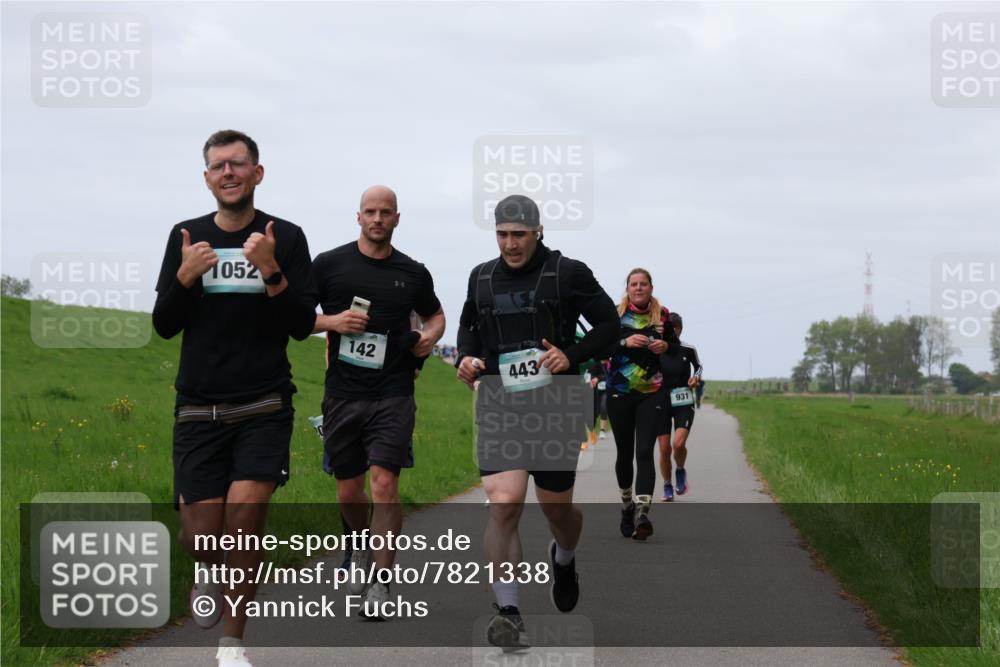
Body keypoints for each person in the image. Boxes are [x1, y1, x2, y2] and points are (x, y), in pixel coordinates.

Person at [152, 130, 316, 667]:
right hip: (199, 407)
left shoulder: (285, 237)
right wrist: (183, 277)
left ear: (257, 173)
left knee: (245, 519)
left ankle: (231, 644)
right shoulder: (185, 235)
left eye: (238, 164)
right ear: (207, 178)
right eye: (218, 165)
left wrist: (270, 267)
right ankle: (206, 565)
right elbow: (164, 325)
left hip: (264, 405)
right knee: (201, 537)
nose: (228, 172)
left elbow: (298, 326)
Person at [455, 194, 617, 651]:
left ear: (539, 230)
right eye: (503, 235)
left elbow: (609, 326)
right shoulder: (481, 276)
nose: (510, 245)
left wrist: (572, 355)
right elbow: (468, 327)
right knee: (504, 503)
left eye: (519, 235)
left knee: (556, 512)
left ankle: (563, 557)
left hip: (556, 403)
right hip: (499, 401)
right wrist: (465, 358)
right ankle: (508, 612)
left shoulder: (569, 273)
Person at [312, 185, 445, 619]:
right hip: (343, 395)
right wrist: (332, 321)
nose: (378, 219)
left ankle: (381, 582)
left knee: (384, 484)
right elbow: (294, 315)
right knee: (349, 490)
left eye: (385, 212)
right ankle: (356, 540)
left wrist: (428, 338)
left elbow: (437, 315)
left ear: (397, 218)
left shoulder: (413, 272)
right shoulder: (330, 265)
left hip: (394, 393)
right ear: (358, 217)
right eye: (370, 211)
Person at [606, 269, 679, 540]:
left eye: (643, 284)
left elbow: (676, 348)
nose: (638, 288)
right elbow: (600, 347)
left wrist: (665, 347)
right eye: (634, 284)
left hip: (653, 392)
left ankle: (643, 514)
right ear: (627, 288)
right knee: (624, 455)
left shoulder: (662, 315)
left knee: (645, 451)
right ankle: (627, 504)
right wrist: (624, 341)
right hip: (620, 393)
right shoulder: (615, 314)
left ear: (651, 287)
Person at [656, 312, 703, 501]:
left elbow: (698, 366)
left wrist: (695, 378)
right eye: (667, 328)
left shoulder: (688, 349)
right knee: (665, 449)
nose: (670, 331)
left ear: (680, 329)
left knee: (678, 444)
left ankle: (680, 470)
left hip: (682, 398)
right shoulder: (656, 349)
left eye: (674, 328)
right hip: (660, 400)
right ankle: (667, 485)